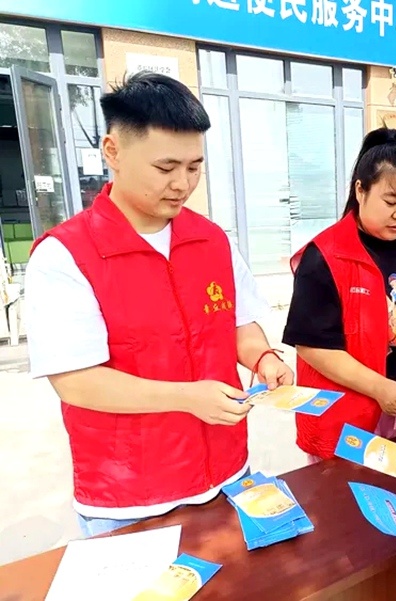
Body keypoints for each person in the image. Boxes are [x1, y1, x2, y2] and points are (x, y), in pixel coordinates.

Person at [23, 72, 294, 538]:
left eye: (194, 167)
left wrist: (263, 357)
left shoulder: (210, 240)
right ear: (113, 152)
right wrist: (189, 399)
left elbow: (237, 323)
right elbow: (76, 383)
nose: (182, 184)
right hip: (130, 498)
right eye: (165, 168)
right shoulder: (64, 255)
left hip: (229, 474)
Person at [282, 128, 396, 462]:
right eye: (391, 202)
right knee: (341, 499)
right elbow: (313, 346)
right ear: (360, 191)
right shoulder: (325, 255)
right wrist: (379, 388)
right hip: (349, 412)